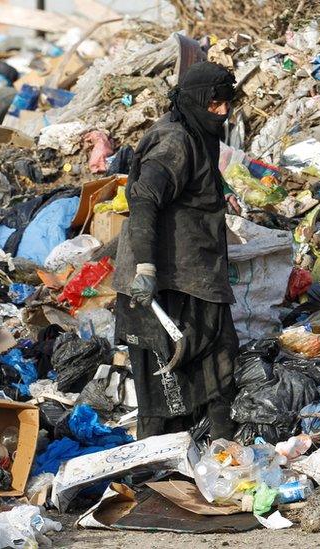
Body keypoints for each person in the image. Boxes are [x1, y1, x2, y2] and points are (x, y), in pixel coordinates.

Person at [113, 61, 240, 440]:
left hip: (196, 271)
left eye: (226, 103)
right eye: (215, 103)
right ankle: (155, 465)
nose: (223, 111)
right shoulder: (174, 141)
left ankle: (220, 452)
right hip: (162, 277)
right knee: (161, 377)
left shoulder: (198, 133)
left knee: (216, 359)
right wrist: (147, 269)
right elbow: (145, 200)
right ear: (197, 101)